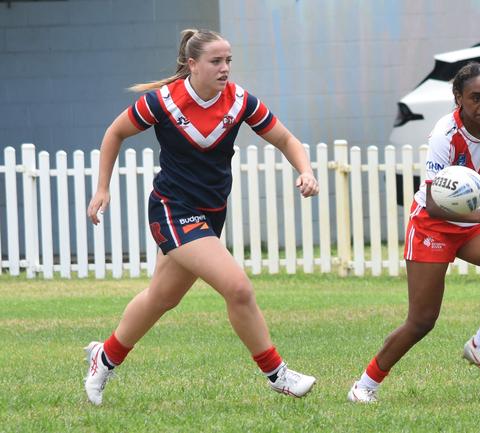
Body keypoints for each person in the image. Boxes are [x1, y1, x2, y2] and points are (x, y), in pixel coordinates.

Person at [84, 29, 319, 405]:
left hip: (211, 214)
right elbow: (115, 133)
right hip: (172, 208)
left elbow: (286, 140)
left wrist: (305, 170)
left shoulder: (240, 101)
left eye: (228, 61)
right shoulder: (163, 102)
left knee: (161, 297)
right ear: (192, 64)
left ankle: (104, 357)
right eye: (216, 61)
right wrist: (102, 188)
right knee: (238, 288)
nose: (225, 68)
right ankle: (278, 374)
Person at [347, 62, 480, 403]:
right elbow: (432, 204)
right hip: (434, 225)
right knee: (422, 321)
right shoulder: (445, 135)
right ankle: (365, 386)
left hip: (476, 224)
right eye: (475, 97)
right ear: (458, 98)